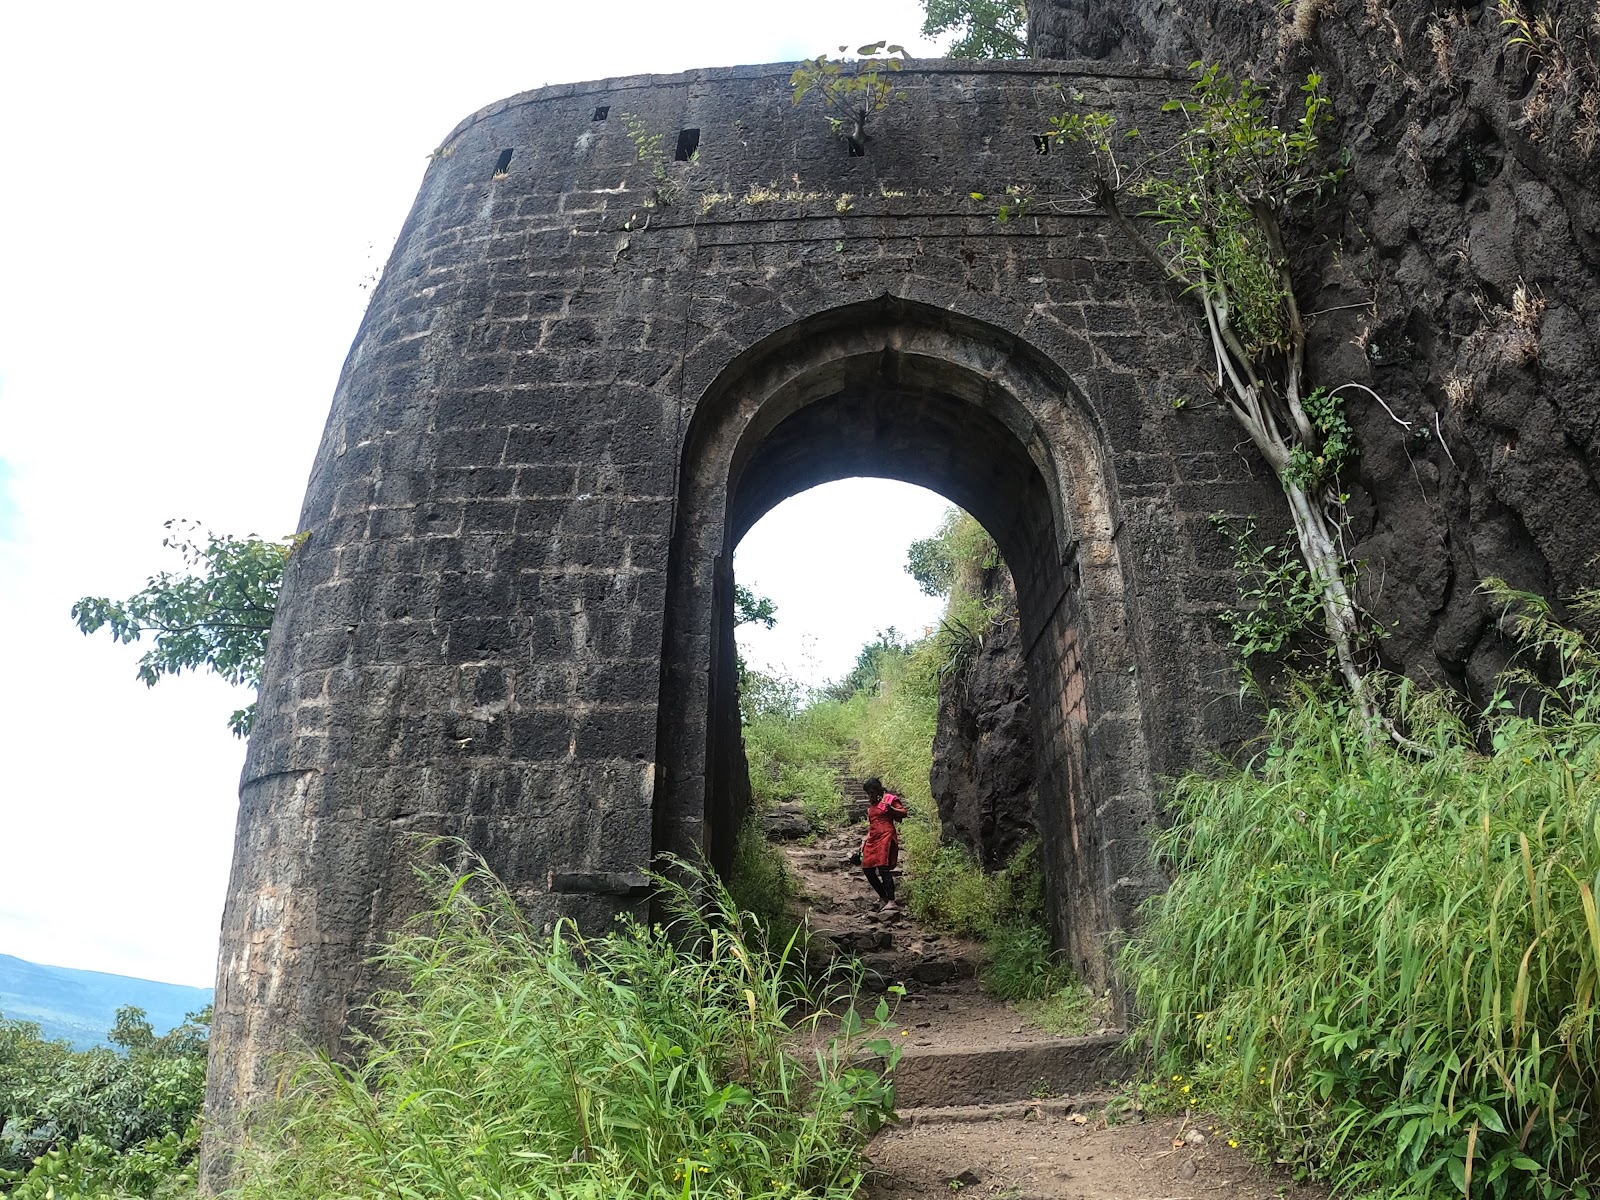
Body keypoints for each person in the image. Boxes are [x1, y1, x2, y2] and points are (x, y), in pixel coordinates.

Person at [860, 777, 908, 911]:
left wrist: (891, 809)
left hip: (886, 835)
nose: (870, 795)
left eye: (872, 792)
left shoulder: (890, 799)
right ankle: (883, 896)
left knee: (883, 867)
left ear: (878, 789)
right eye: (868, 793)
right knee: (867, 868)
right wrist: (864, 840)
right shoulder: (873, 805)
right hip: (873, 837)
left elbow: (904, 813)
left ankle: (891, 901)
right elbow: (872, 825)